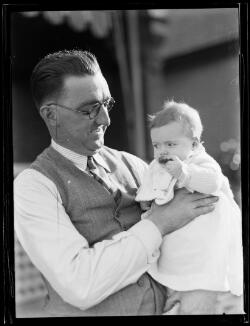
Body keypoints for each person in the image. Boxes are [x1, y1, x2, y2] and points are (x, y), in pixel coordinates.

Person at [14, 49, 219, 317]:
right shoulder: (33, 186)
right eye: (89, 110)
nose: (105, 120)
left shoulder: (133, 164)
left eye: (107, 105)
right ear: (51, 115)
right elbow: (80, 285)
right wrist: (159, 223)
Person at [135, 100, 244, 314]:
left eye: (170, 144)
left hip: (203, 264)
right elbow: (147, 189)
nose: (162, 152)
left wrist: (184, 174)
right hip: (174, 258)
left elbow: (213, 183)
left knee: (198, 307)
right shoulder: (157, 168)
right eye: (156, 145)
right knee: (169, 305)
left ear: (194, 144)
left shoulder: (202, 163)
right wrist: (146, 200)